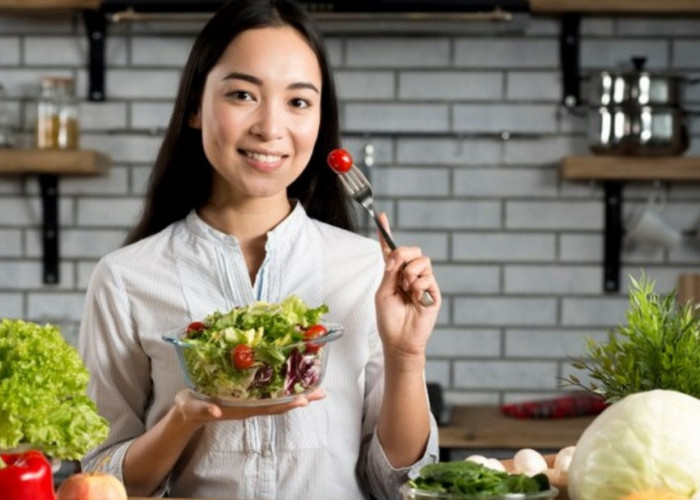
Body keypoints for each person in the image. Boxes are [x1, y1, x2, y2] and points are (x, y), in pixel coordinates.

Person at [78, 0, 441, 498]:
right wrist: (183, 418)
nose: (271, 128)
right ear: (194, 108)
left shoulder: (363, 270)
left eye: (298, 102)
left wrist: (406, 357)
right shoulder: (125, 278)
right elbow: (101, 482)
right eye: (243, 94)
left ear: (319, 120)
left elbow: (399, 483)